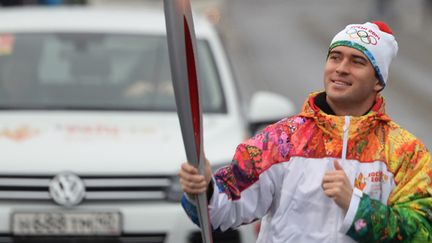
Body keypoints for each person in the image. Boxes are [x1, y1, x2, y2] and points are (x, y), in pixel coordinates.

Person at [178, 21, 432, 242]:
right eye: (335, 57)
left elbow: (423, 232)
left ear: (378, 80)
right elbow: (223, 212)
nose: (341, 68)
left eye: (357, 62)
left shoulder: (405, 153)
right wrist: (204, 191)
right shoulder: (281, 141)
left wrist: (356, 206)